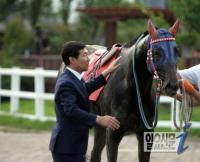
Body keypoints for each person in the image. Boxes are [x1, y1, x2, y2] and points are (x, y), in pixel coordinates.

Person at [49, 41, 121, 162]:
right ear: (72, 59)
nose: (89, 59)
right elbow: (71, 111)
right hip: (67, 148)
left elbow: (85, 89)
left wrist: (107, 72)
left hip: (73, 146)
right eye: (84, 55)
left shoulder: (74, 78)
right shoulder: (66, 83)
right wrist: (99, 119)